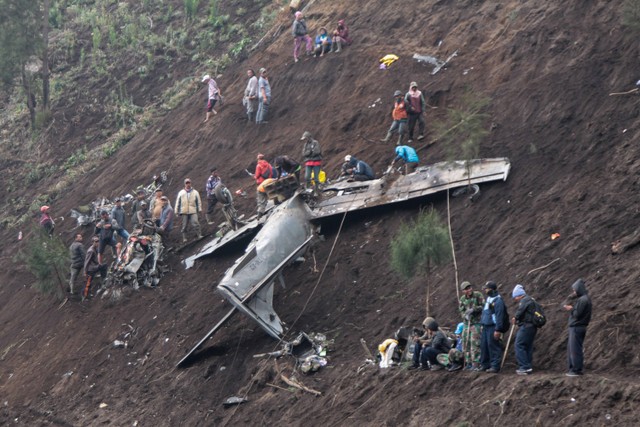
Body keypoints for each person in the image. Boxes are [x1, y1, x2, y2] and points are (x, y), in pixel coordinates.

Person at [563, 279, 592, 377]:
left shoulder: (583, 300)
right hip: (578, 327)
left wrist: (571, 309)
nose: (574, 292)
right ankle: (573, 369)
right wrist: (570, 298)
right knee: (573, 348)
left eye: (575, 290)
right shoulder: (585, 298)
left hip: (577, 327)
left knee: (575, 349)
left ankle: (576, 370)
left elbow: (577, 314)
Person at [480, 281, 508, 373]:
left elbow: (499, 316)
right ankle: (485, 364)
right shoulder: (488, 299)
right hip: (485, 326)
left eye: (486, 288)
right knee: (484, 346)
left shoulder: (498, 301)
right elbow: (485, 313)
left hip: (493, 326)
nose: (485, 290)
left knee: (493, 346)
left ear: (491, 289)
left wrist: (498, 329)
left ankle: (495, 366)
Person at [458, 281, 484, 371]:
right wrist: (465, 315)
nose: (469, 290)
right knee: (466, 343)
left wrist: (474, 310)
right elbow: (461, 310)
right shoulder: (462, 299)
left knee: (475, 343)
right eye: (466, 289)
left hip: (476, 323)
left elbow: (483, 306)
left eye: (469, 288)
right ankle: (468, 362)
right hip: (467, 324)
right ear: (463, 291)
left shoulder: (477, 295)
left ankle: (476, 363)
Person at [512, 284, 537, 375]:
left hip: (526, 326)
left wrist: (515, 317)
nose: (515, 299)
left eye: (515, 297)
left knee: (519, 344)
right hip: (533, 326)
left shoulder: (525, 300)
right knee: (528, 345)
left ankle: (524, 366)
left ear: (519, 295)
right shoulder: (531, 300)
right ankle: (528, 366)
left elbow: (520, 311)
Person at [175, 178, 203, 242]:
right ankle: (184, 238)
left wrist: (200, 209)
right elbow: (177, 202)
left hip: (193, 210)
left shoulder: (195, 192)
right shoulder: (181, 193)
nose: (188, 184)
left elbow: (199, 201)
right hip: (184, 211)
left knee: (195, 222)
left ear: (191, 183)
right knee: (184, 225)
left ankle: (199, 234)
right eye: (186, 183)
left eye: (189, 183)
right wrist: (176, 211)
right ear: (184, 184)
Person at [254, 154, 275, 219]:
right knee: (272, 195)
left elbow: (257, 175)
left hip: (261, 183)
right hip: (268, 182)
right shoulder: (268, 164)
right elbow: (271, 173)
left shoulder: (258, 165)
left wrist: (254, 176)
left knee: (261, 199)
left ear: (258, 159)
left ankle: (260, 214)